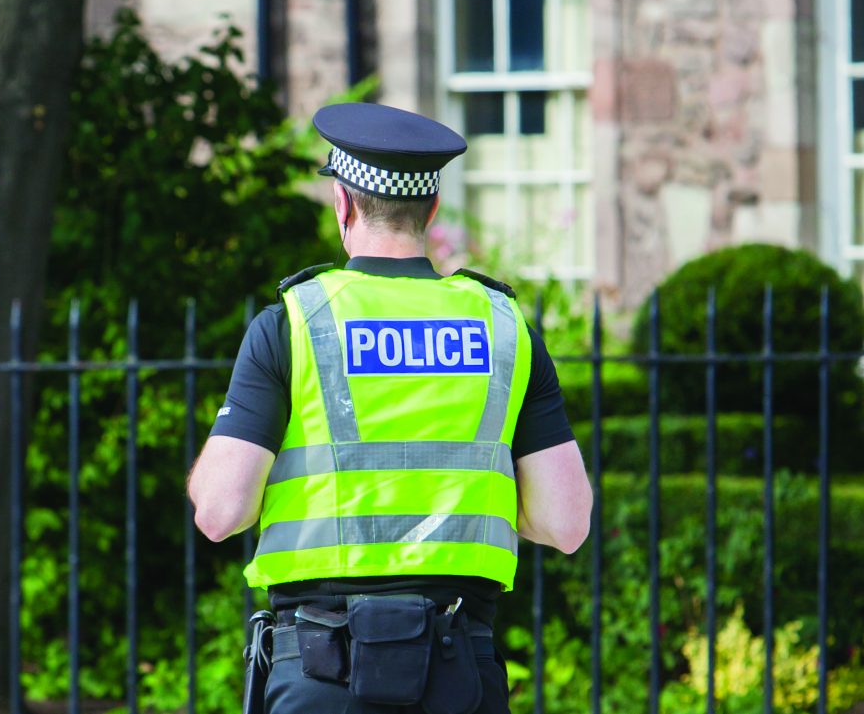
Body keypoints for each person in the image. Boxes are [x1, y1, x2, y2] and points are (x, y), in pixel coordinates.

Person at [188, 102, 593, 714]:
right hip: (459, 671)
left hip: (321, 673)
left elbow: (220, 512)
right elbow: (566, 524)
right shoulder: (504, 327)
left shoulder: (295, 324)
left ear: (343, 205)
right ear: (430, 211)